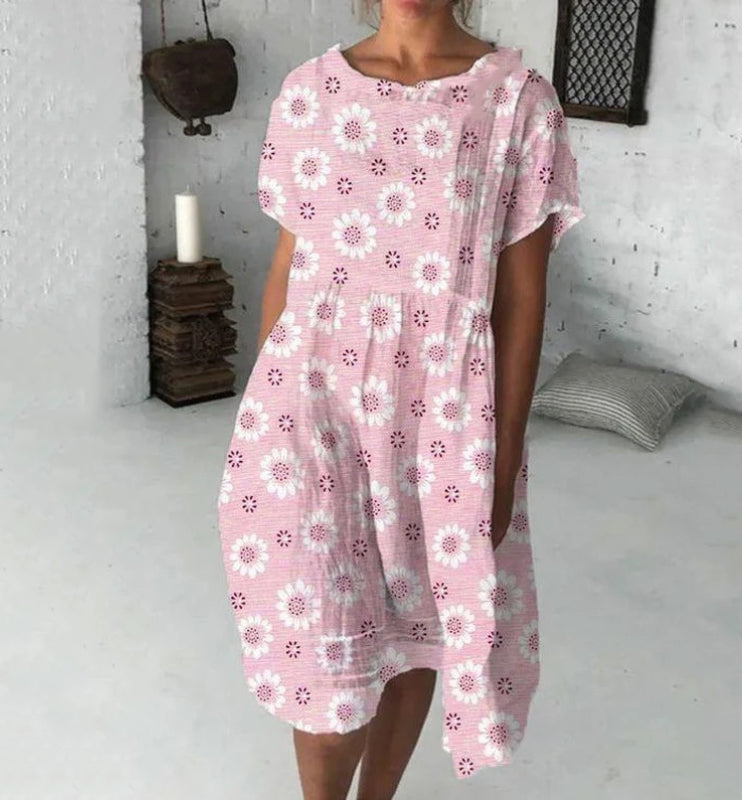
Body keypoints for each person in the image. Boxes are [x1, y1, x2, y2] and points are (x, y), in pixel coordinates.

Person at [216, 1, 584, 797]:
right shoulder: (310, 92)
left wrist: (501, 463)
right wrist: (262, 410)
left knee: (415, 630)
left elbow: (522, 299)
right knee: (324, 647)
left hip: (442, 418)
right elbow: (288, 262)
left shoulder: (517, 101)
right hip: (308, 404)